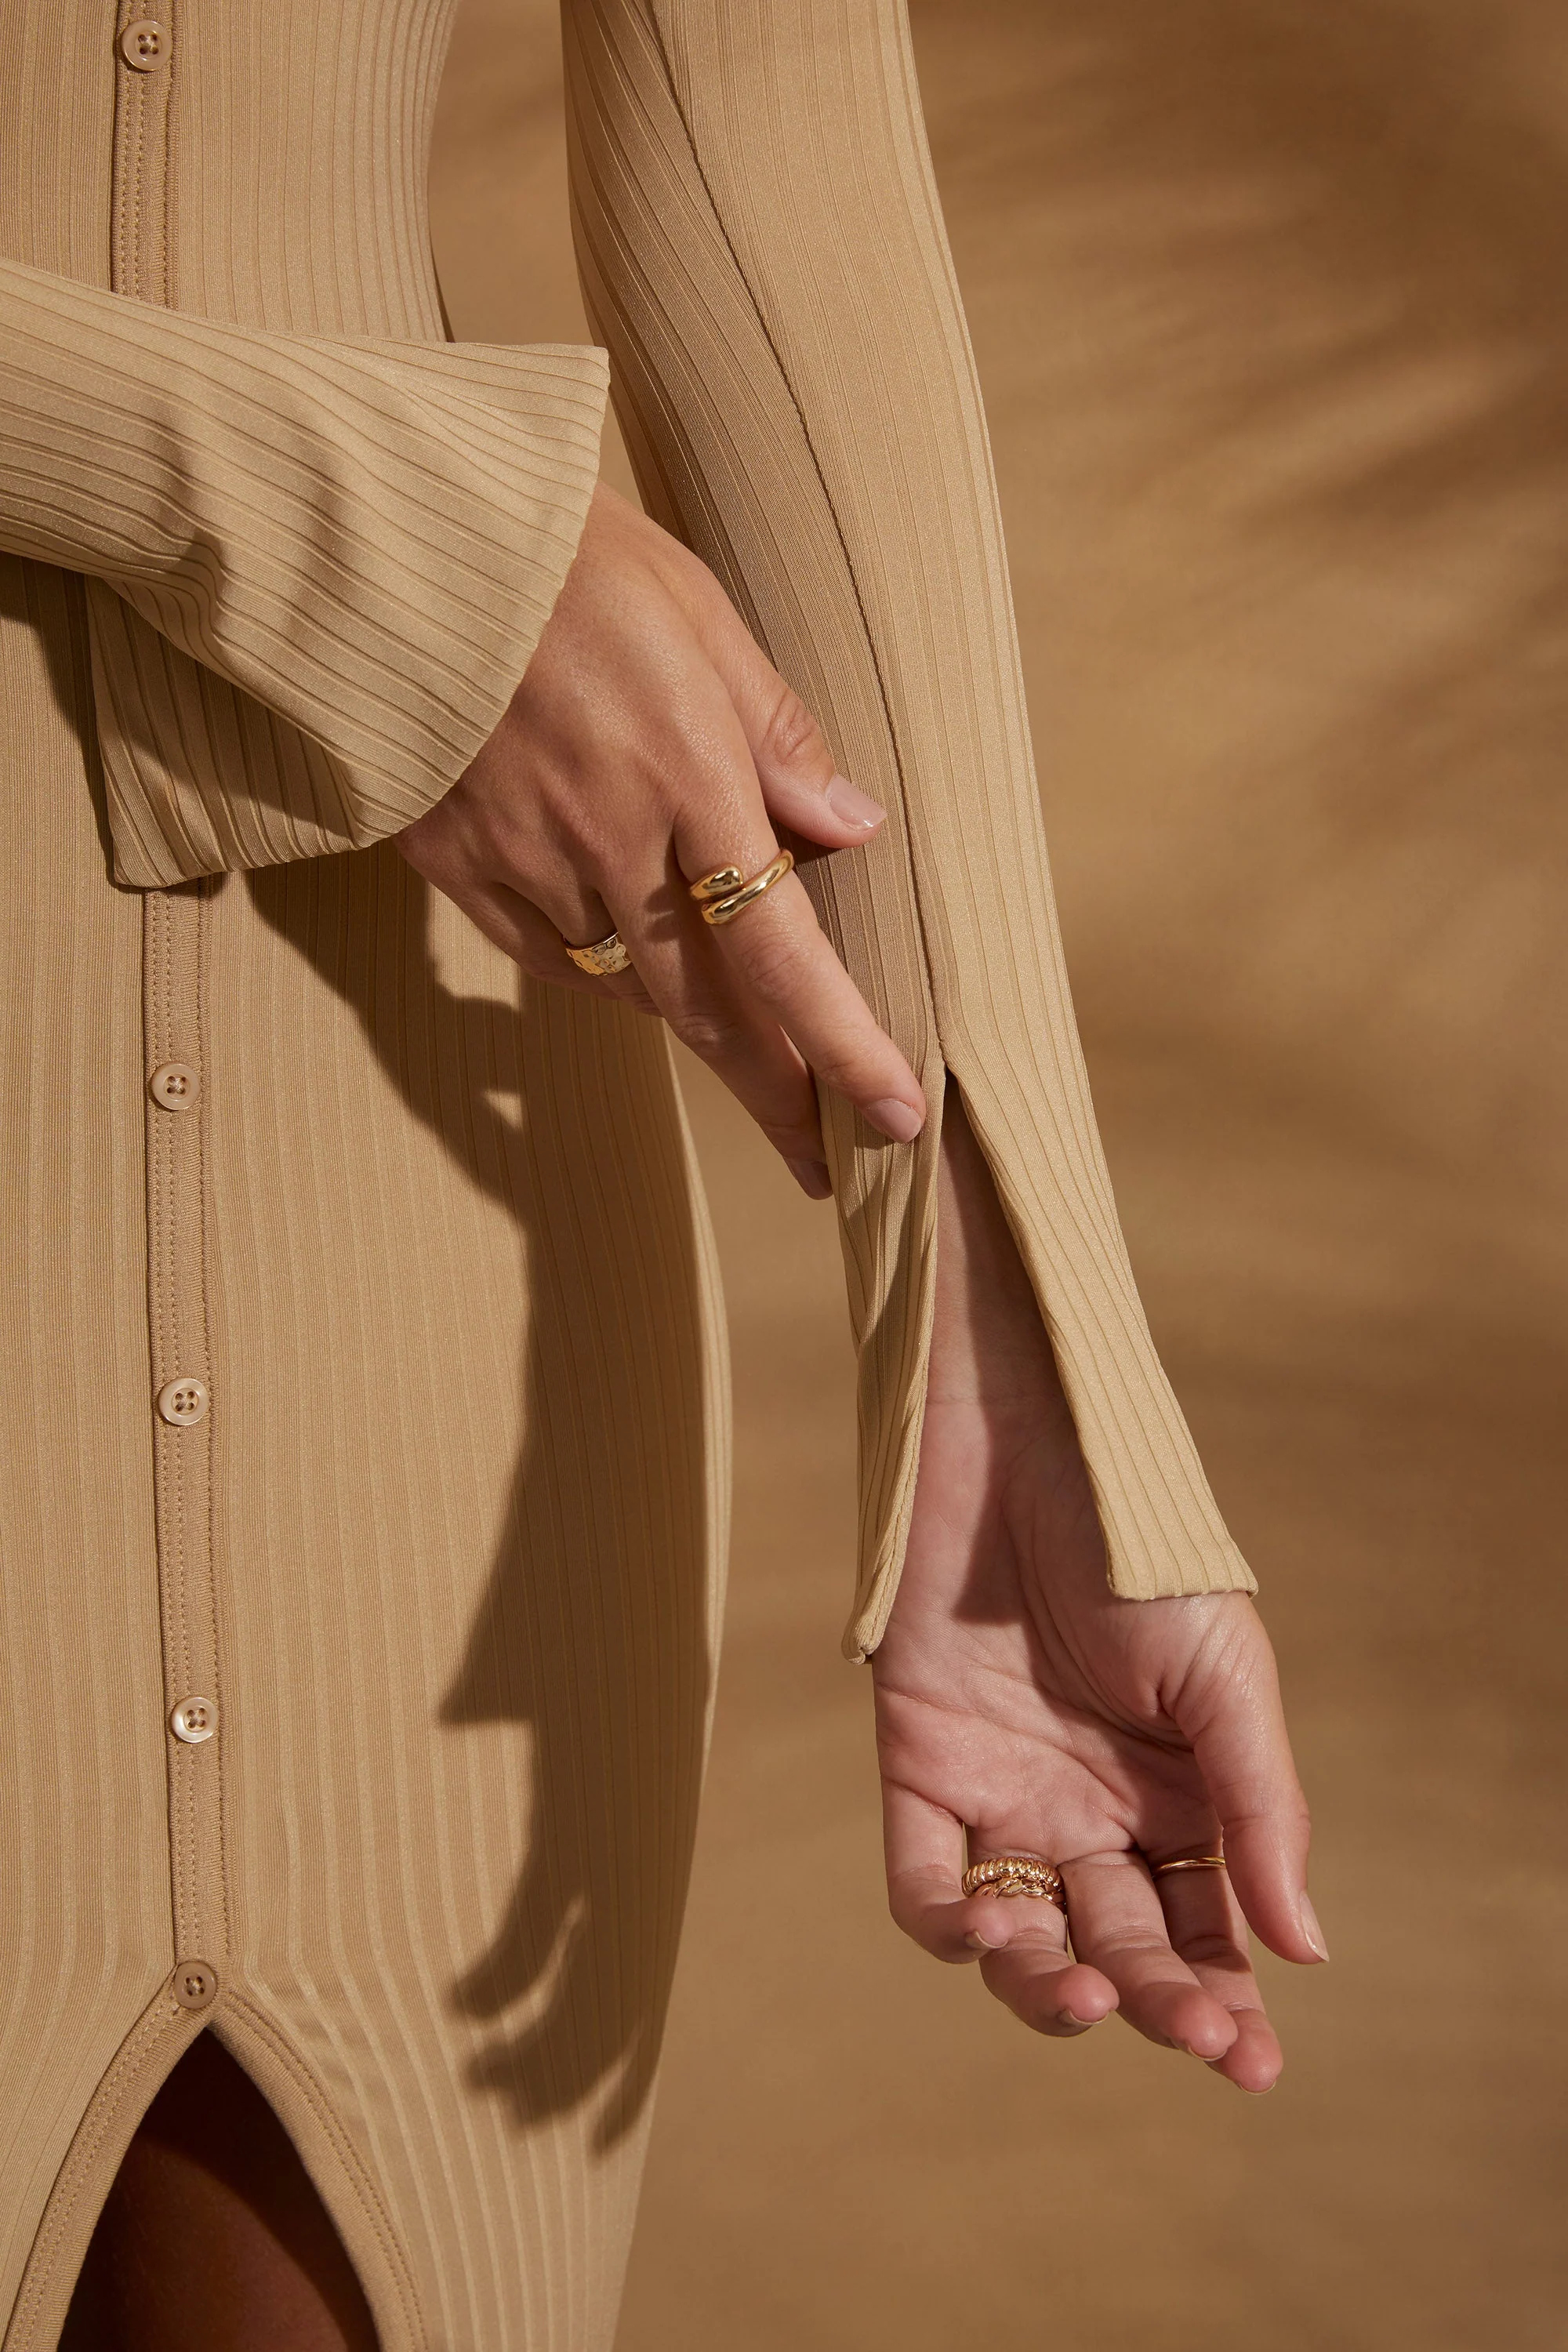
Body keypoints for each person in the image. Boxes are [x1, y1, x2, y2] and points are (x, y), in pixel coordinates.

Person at [0, 1, 1323, 2344]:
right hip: (427, 672)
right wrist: (352, 526)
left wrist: (997, 1341)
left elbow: (774, 130)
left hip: (374, 1170)